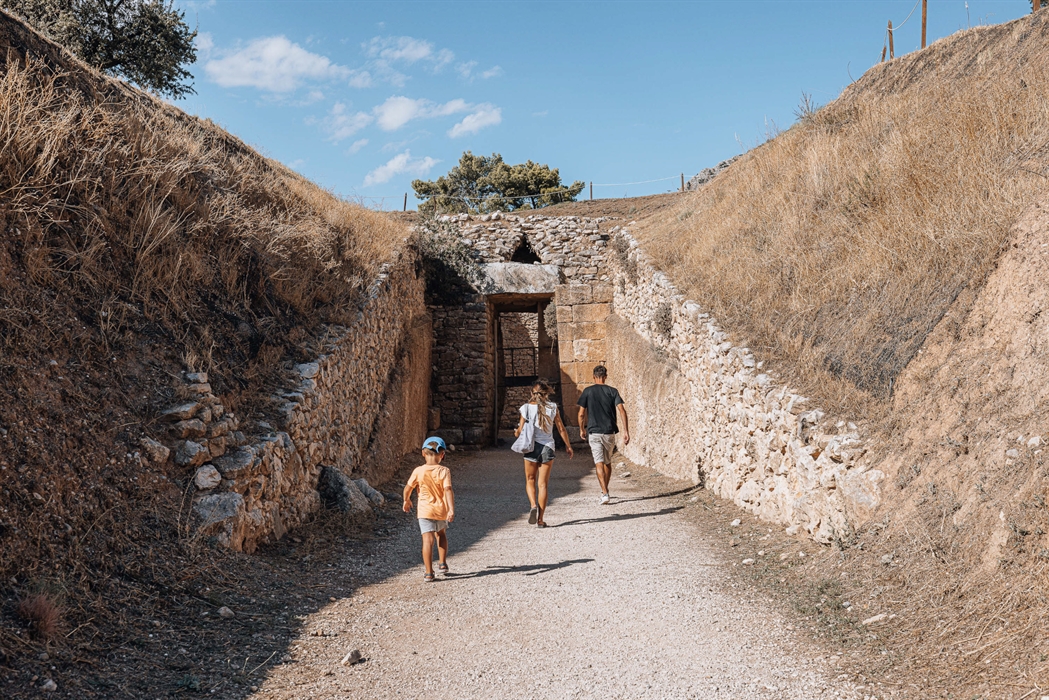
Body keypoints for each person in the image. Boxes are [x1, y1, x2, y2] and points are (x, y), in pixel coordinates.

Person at [514, 379, 574, 527]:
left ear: (531, 393)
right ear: (546, 394)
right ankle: (540, 520)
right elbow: (561, 428)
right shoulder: (553, 407)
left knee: (530, 480)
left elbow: (519, 432)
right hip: (547, 447)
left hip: (531, 447)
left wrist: (515, 432)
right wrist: (568, 446)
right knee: (543, 485)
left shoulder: (526, 408)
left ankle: (533, 505)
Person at [403, 436, 455, 582]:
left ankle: (428, 572)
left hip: (425, 511)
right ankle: (443, 563)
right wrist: (451, 509)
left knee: (427, 540)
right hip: (441, 510)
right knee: (442, 535)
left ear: (423, 453)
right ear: (442, 455)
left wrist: (406, 500)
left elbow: (408, 488)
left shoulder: (418, 471)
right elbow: (448, 490)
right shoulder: (444, 471)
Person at [577, 365, 630, 505]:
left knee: (598, 463)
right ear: (605, 376)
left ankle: (605, 493)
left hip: (594, 432)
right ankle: (605, 490)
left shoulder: (587, 392)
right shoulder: (613, 391)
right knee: (607, 462)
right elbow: (622, 411)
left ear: (593, 376)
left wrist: (581, 429)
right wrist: (626, 431)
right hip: (609, 432)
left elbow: (581, 414)